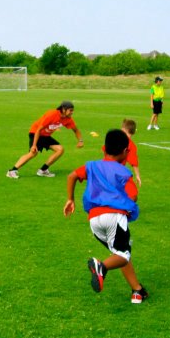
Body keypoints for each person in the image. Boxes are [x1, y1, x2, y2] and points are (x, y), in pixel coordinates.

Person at [64, 128, 148, 304]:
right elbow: (133, 196)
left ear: (104, 148)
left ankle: (137, 291)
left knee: (119, 253)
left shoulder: (91, 166)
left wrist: (70, 199)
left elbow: (72, 176)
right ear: (125, 151)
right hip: (114, 218)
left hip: (94, 221)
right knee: (123, 255)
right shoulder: (123, 172)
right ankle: (101, 267)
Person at [7, 101, 83, 178]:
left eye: (72, 110)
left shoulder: (68, 119)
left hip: (45, 135)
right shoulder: (52, 114)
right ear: (63, 109)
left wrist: (80, 141)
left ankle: (43, 170)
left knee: (60, 149)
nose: (72, 112)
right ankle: (12, 171)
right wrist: (34, 145)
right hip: (35, 133)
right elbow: (39, 130)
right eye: (70, 110)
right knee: (33, 153)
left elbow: (76, 130)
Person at [121, 118, 142, 186]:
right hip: (116, 172)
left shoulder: (113, 137)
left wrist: (137, 175)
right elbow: (134, 162)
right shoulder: (130, 145)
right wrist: (137, 175)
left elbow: (133, 161)